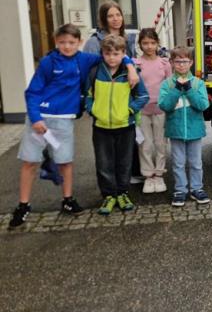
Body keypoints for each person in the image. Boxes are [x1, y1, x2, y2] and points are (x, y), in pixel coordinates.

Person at [9, 24, 138, 229]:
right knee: (30, 161)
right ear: (56, 42)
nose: (67, 46)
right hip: (41, 119)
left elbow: (115, 54)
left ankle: (67, 199)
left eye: (71, 42)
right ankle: (23, 205)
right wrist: (35, 118)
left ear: (79, 42)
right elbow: (32, 92)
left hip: (65, 120)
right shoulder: (48, 62)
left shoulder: (85, 59)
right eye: (62, 42)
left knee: (65, 162)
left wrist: (130, 67)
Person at [86, 34, 149, 215]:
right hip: (101, 127)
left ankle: (122, 193)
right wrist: (93, 110)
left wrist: (129, 110)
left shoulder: (131, 73)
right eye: (108, 53)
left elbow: (143, 96)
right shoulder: (95, 72)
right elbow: (88, 95)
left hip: (125, 127)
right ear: (102, 54)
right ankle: (108, 195)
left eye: (116, 53)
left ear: (123, 54)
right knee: (103, 164)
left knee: (124, 162)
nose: (111, 58)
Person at [158, 46, 210, 206]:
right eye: (178, 61)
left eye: (185, 61)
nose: (181, 65)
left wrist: (188, 90)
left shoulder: (198, 83)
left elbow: (203, 105)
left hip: (195, 130)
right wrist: (176, 90)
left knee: (196, 163)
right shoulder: (167, 84)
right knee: (178, 163)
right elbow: (164, 105)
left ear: (191, 62)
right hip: (176, 130)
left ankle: (196, 188)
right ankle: (180, 190)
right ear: (172, 63)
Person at [136, 28, 172, 194]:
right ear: (140, 44)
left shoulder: (164, 64)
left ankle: (159, 175)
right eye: (145, 43)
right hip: (142, 111)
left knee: (160, 144)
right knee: (145, 144)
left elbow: (170, 87)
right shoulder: (136, 64)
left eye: (152, 43)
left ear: (157, 43)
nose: (149, 46)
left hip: (160, 110)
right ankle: (148, 176)